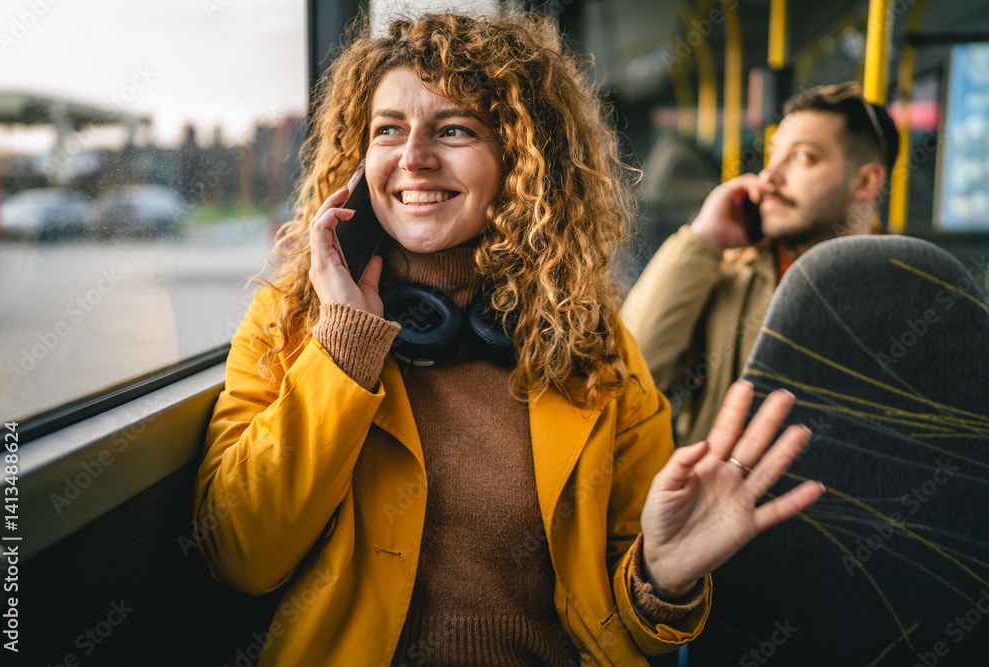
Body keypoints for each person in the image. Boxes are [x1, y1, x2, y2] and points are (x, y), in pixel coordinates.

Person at [194, 11, 823, 666]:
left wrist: (661, 581)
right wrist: (344, 345)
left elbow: (620, 633)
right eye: (388, 130)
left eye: (454, 128)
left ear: (520, 159)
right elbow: (241, 552)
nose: (413, 157)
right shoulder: (288, 322)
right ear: (358, 159)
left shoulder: (594, 348)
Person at [621, 82, 900, 447]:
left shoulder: (906, 287)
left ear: (865, 181)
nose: (769, 176)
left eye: (802, 157)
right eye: (773, 155)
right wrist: (701, 240)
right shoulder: (728, 272)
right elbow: (630, 382)